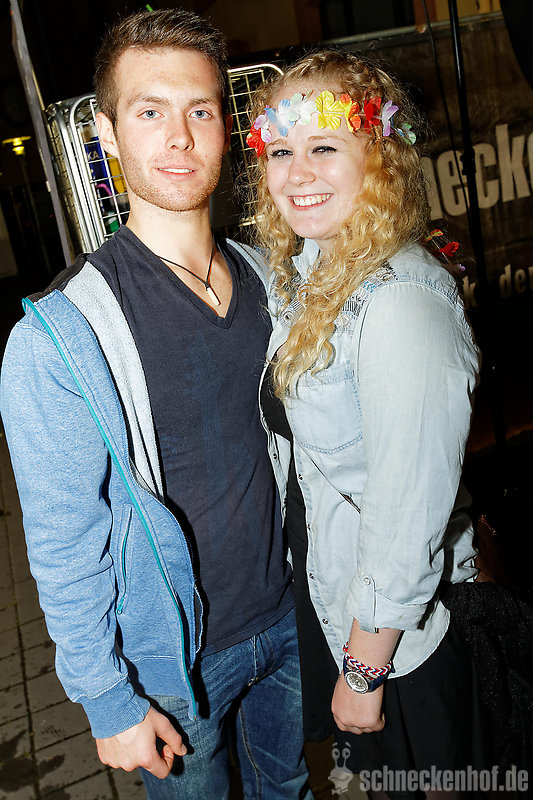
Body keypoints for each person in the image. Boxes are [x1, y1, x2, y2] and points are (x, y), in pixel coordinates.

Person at [0, 10, 312, 800]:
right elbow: (63, 541)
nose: (178, 136)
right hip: (171, 667)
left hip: (286, 619)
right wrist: (107, 701)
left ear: (224, 126)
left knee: (288, 787)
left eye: (199, 110)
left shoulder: (267, 279)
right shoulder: (61, 336)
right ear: (107, 133)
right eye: (149, 111)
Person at [246, 51, 485, 796]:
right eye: (280, 152)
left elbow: (406, 512)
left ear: (376, 159)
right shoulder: (314, 272)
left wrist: (363, 671)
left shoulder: (400, 299)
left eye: (323, 147)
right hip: (341, 601)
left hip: (402, 640)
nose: (296, 174)